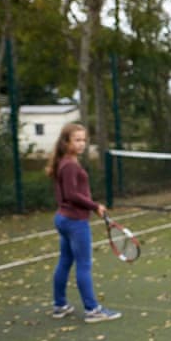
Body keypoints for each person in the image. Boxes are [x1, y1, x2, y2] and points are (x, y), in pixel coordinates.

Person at [45, 123, 121, 323]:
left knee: (65, 261)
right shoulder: (69, 165)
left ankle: (60, 305)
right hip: (74, 221)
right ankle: (92, 310)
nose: (81, 144)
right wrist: (95, 206)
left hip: (63, 218)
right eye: (77, 140)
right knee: (84, 265)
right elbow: (72, 194)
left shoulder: (64, 161)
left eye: (84, 140)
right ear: (66, 142)